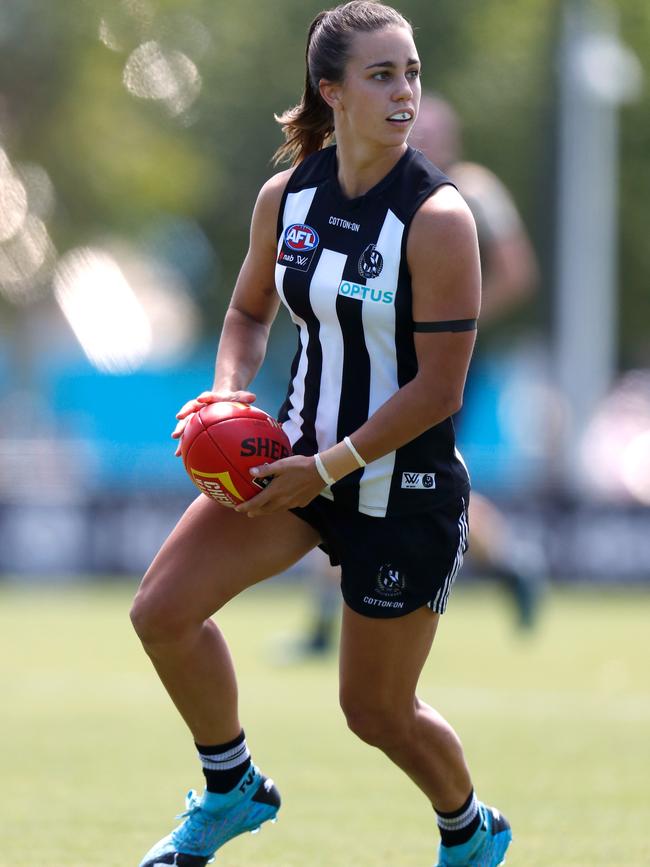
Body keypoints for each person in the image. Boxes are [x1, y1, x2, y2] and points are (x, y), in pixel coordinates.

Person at [130, 3, 512, 866]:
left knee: (375, 711)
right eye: (382, 75)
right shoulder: (288, 195)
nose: (405, 92)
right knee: (162, 612)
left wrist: (329, 467)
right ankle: (232, 789)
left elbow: (439, 389)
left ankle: (471, 827)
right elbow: (245, 311)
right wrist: (227, 398)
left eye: (411, 72)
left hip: (398, 487)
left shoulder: (441, 218)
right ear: (330, 91)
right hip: (293, 463)